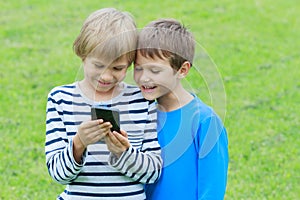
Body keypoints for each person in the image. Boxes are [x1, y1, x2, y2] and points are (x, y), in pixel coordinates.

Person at [45, 8, 162, 200]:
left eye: (118, 68)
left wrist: (124, 153)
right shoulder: (60, 99)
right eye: (98, 65)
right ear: (82, 55)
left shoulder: (142, 100)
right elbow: (58, 174)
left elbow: (153, 173)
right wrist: (78, 144)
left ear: (130, 64)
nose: (106, 76)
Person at [134, 18, 229, 199]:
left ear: (182, 70)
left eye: (154, 71)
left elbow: (212, 189)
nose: (143, 78)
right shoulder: (141, 115)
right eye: (138, 68)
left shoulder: (205, 122)